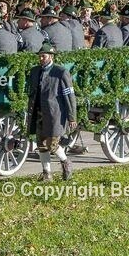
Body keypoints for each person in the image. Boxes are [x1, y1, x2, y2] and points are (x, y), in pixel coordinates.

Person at [27, 42, 77, 182]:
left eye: (44, 56)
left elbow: (69, 96)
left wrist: (72, 117)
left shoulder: (61, 72)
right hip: (38, 113)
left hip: (55, 114)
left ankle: (66, 162)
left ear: (51, 57)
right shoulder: (35, 71)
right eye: (40, 56)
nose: (41, 59)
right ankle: (47, 174)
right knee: (41, 145)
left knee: (52, 145)